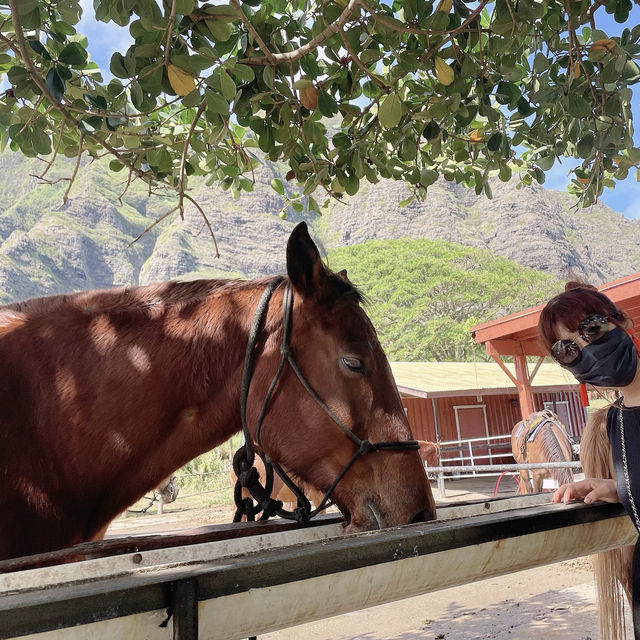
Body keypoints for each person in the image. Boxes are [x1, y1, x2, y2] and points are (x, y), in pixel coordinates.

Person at [538, 281, 640, 639]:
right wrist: (620, 488)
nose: (586, 349)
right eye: (568, 350)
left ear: (622, 322)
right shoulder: (615, 421)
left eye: (592, 330)